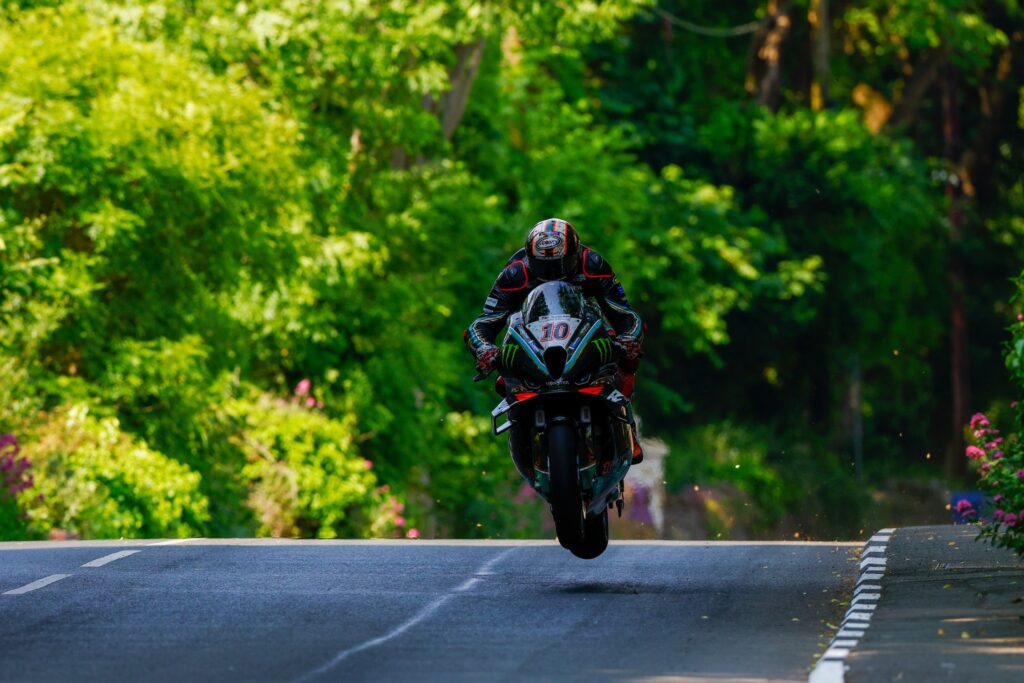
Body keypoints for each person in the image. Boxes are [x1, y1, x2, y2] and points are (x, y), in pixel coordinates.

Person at [464, 218, 646, 463]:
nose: (551, 273)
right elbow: (485, 321)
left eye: (558, 263)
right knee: (502, 379)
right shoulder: (514, 274)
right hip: (534, 342)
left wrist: (630, 339)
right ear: (530, 258)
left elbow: (624, 313)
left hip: (582, 334)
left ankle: (627, 426)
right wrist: (483, 347)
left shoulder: (592, 264)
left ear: (574, 252)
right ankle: (525, 438)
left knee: (625, 355)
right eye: (543, 266)